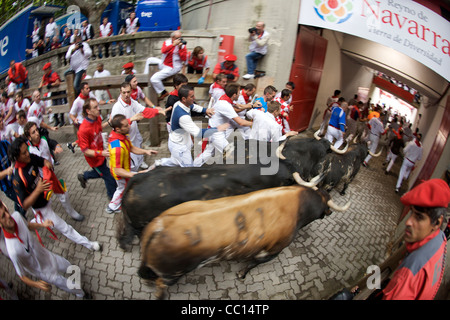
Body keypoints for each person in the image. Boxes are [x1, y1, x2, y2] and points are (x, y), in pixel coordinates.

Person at [8, 137, 101, 251]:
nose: (28, 154)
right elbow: (24, 205)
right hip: (42, 208)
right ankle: (89, 245)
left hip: (47, 193)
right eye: (24, 153)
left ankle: (39, 222)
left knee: (64, 194)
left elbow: (41, 160)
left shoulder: (29, 157)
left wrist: (47, 163)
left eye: (27, 150)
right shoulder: (17, 178)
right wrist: (38, 190)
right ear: (17, 157)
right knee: (66, 228)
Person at [0, 200, 91, 299]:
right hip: (44, 272)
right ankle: (81, 294)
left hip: (48, 255)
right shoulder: (12, 250)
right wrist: (37, 284)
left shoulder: (17, 216)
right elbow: (22, 276)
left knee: (68, 265)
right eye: (3, 216)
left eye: (6, 211)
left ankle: (77, 275)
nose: (8, 216)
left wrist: (42, 224)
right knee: (68, 284)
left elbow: (28, 226)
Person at [383, 179, 449, 299]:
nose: (408, 222)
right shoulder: (440, 239)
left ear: (437, 223)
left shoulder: (408, 273)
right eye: (411, 213)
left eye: (419, 217)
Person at [24, 122, 84, 222]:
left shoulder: (43, 139)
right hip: (41, 181)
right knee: (46, 202)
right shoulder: (28, 151)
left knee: (63, 194)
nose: (37, 133)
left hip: (51, 174)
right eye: (33, 132)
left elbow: (51, 142)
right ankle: (40, 220)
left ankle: (72, 213)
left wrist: (56, 146)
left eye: (37, 130)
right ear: (29, 137)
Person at [154, 85, 227, 168]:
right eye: (192, 96)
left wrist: (205, 110)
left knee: (175, 162)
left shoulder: (178, 104)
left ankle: (159, 163)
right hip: (180, 147)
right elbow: (198, 133)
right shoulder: (183, 117)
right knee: (189, 170)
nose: (194, 98)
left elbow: (193, 106)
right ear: (184, 99)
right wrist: (217, 129)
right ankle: (160, 164)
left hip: (176, 142)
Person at [107, 114, 158, 213]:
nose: (129, 126)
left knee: (124, 188)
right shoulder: (117, 148)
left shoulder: (122, 135)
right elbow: (117, 170)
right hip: (120, 173)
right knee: (121, 189)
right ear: (118, 129)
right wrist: (133, 174)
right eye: (126, 126)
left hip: (125, 169)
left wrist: (145, 151)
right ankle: (113, 207)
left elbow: (131, 148)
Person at [193, 83, 253, 167]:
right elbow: (240, 122)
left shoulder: (224, 99)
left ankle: (193, 166)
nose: (239, 95)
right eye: (239, 93)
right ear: (234, 95)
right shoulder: (225, 105)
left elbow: (238, 106)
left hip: (215, 130)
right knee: (230, 152)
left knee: (209, 152)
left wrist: (252, 105)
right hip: (216, 134)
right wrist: (254, 123)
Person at [110, 82, 165, 171]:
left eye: (128, 92)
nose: (126, 95)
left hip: (134, 134)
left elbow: (144, 111)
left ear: (131, 91)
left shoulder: (132, 102)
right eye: (124, 92)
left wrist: (158, 111)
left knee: (138, 152)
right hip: (126, 138)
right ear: (120, 92)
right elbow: (115, 126)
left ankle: (139, 164)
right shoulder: (117, 107)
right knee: (130, 164)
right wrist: (131, 119)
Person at [77, 98, 117, 205]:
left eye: (98, 106)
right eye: (95, 107)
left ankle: (84, 176)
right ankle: (113, 198)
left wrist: (108, 122)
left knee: (101, 173)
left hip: (101, 155)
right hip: (94, 160)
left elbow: (99, 128)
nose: (99, 109)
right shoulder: (83, 129)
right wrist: (101, 153)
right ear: (88, 111)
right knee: (109, 177)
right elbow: (85, 151)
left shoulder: (97, 118)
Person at [147, 31, 187, 101]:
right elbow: (163, 51)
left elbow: (184, 58)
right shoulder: (167, 42)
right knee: (149, 60)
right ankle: (146, 77)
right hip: (164, 64)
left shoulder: (182, 46)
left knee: (154, 79)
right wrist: (173, 45)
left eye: (180, 38)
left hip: (173, 67)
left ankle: (163, 92)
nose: (179, 40)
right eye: (177, 38)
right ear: (172, 38)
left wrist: (180, 48)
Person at [0, 139, 26, 217]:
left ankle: (17, 214)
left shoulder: (5, 143)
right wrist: (6, 172)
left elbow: (14, 152)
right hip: (8, 187)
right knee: (24, 203)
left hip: (16, 179)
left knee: (18, 200)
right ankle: (21, 220)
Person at [39, 62, 66, 127]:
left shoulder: (53, 74)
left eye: (45, 70)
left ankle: (62, 120)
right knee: (53, 104)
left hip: (59, 91)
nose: (44, 71)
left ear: (48, 69)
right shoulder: (45, 75)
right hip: (54, 91)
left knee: (60, 104)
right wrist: (39, 87)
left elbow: (57, 82)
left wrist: (51, 85)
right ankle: (56, 119)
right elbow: (42, 81)